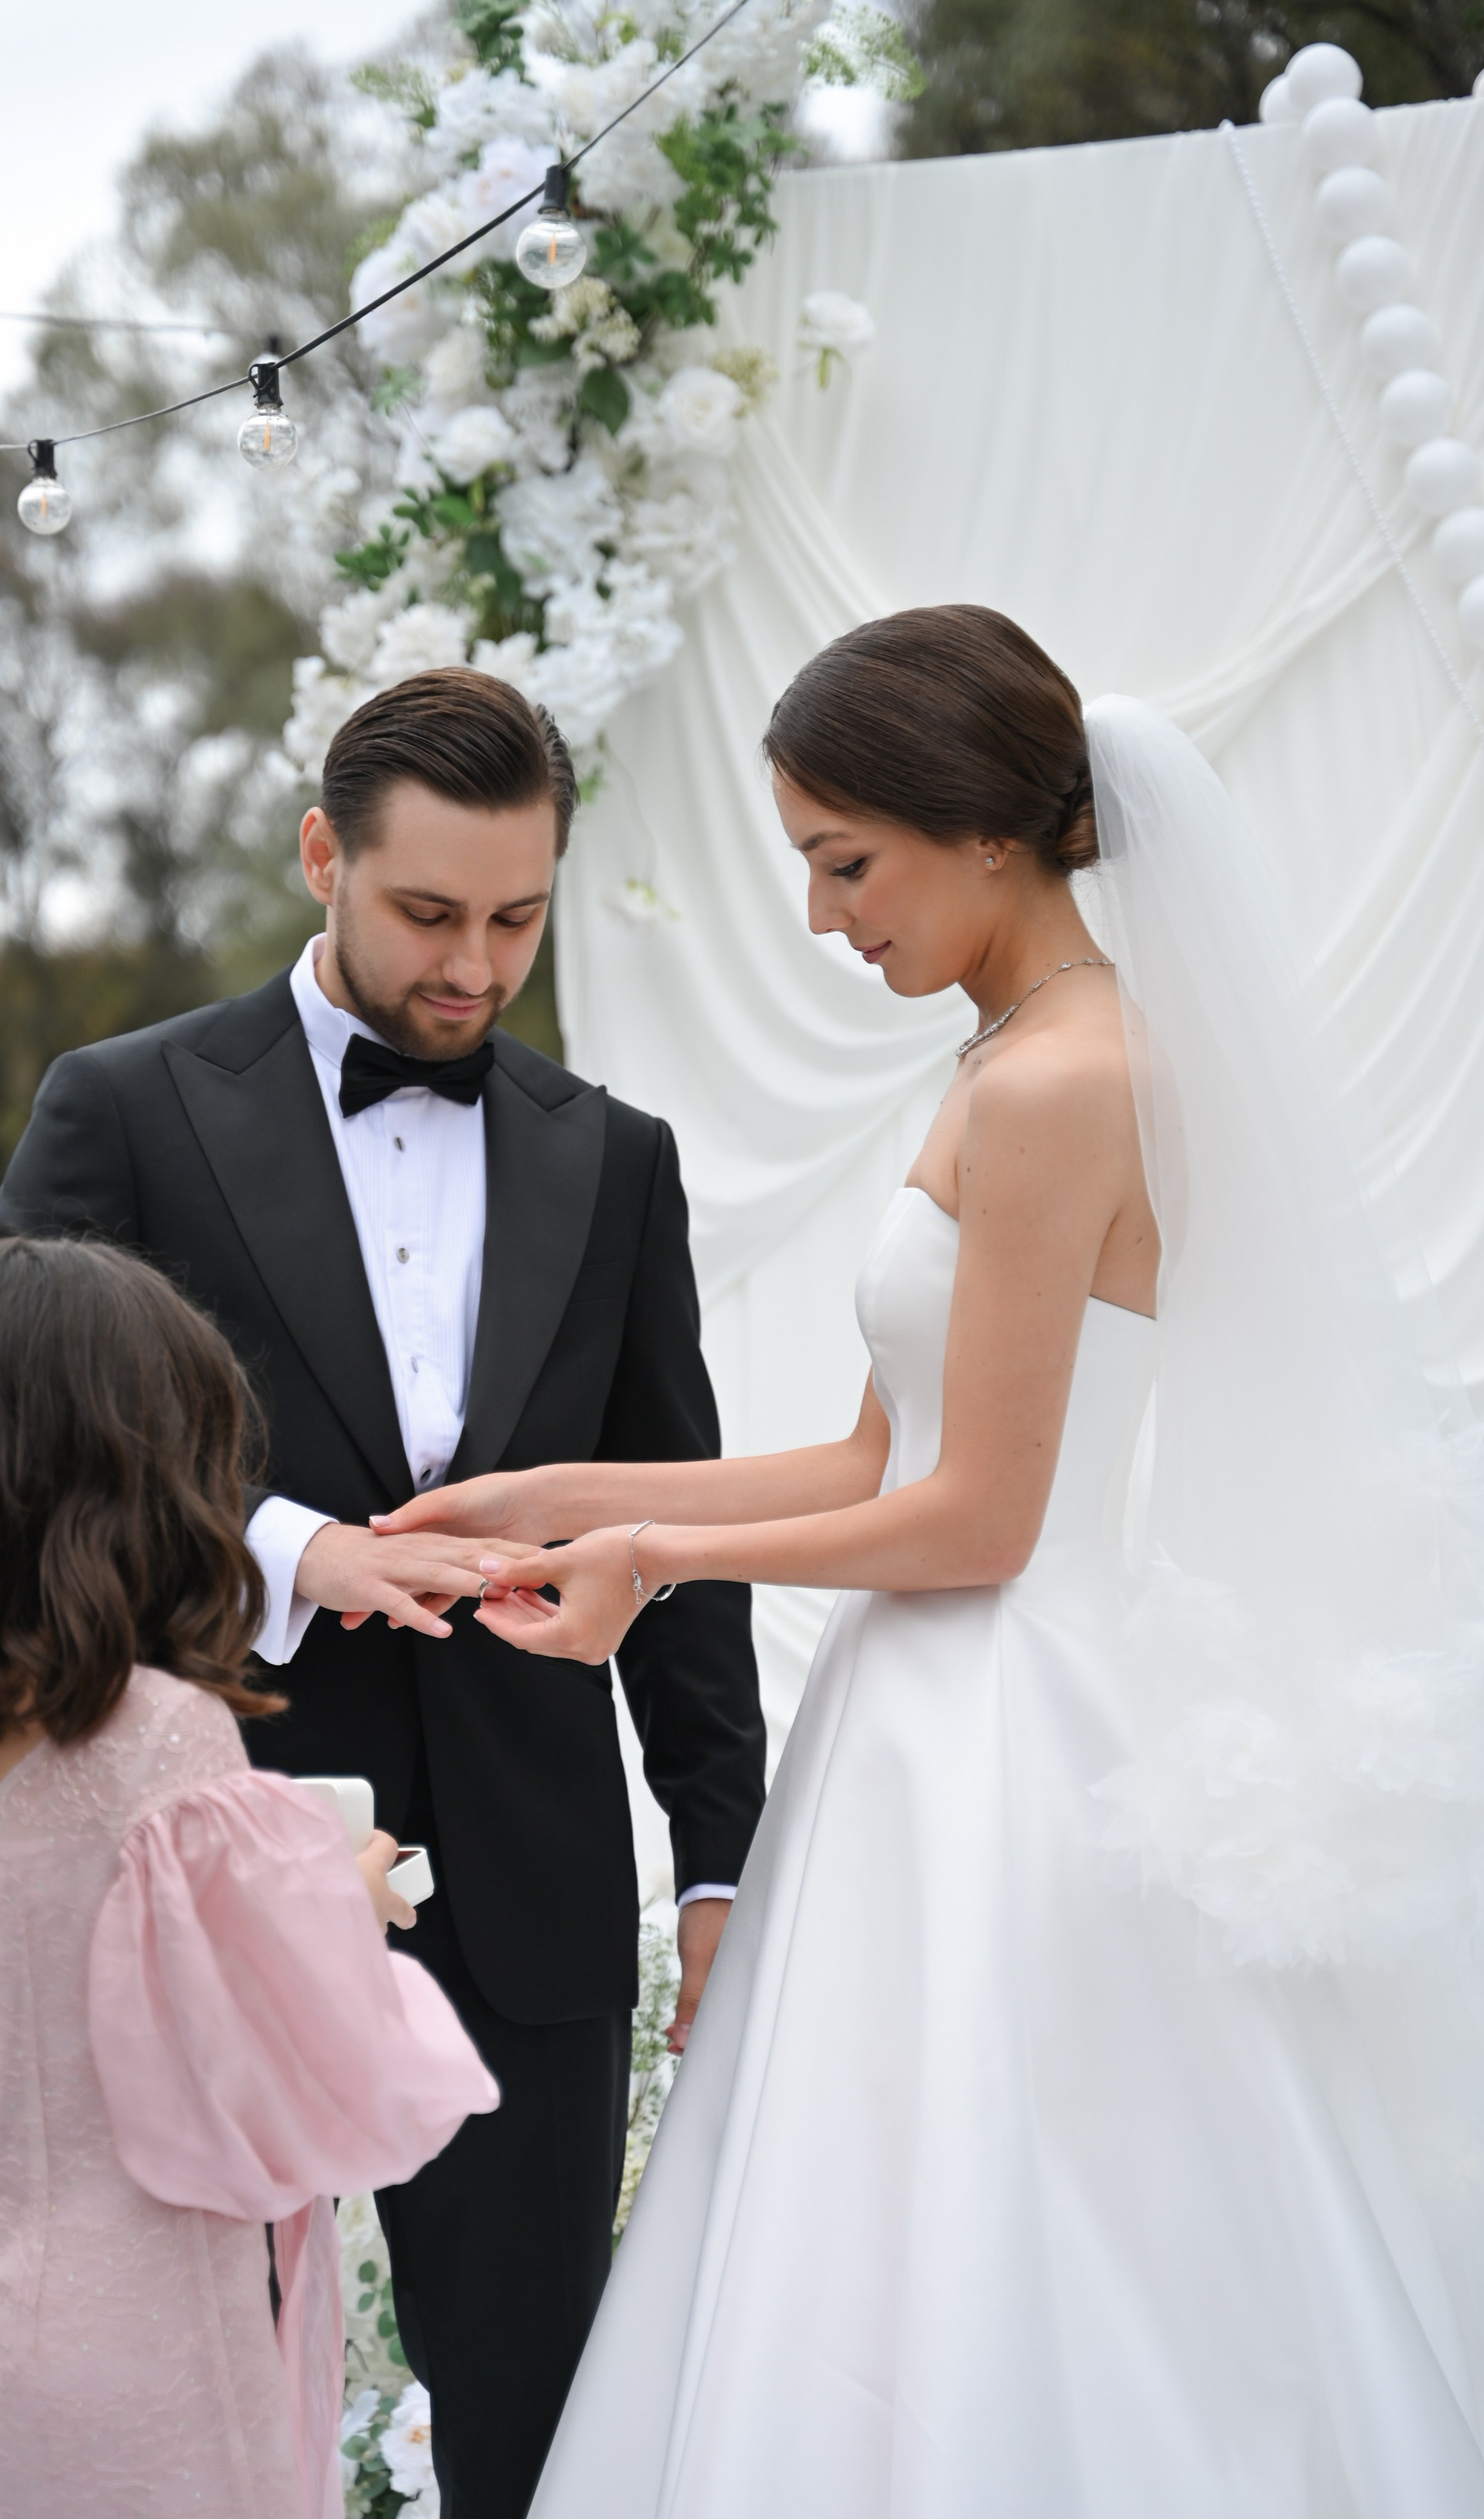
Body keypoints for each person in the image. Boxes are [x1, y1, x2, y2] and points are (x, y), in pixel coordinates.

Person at [384, 609, 1484, 2515]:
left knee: (996, 2233)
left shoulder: (1067, 1083)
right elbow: (872, 1456)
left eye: (845, 862)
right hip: (921, 1717)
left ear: (986, 832)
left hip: (1007, 1728)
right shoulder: (1005, 1053)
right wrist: (550, 1494)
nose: (825, 918)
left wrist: (646, 1555)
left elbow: (985, 1522)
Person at [0, 667, 765, 2519]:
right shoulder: (122, 1105)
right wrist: (286, 1548)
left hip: (537, 1894)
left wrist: (724, 1859)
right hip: (196, 1861)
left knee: (538, 2435)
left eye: (519, 917)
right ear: (323, 854)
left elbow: (687, 1529)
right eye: (429, 913)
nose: (476, 970)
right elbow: (0, 1445)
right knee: (183, 2427)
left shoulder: (616, 1158)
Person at [0, 1235, 498, 2519]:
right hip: (138, 2337)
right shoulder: (154, 1733)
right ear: (128, 1465)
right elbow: (274, 2085)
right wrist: (342, 1894)